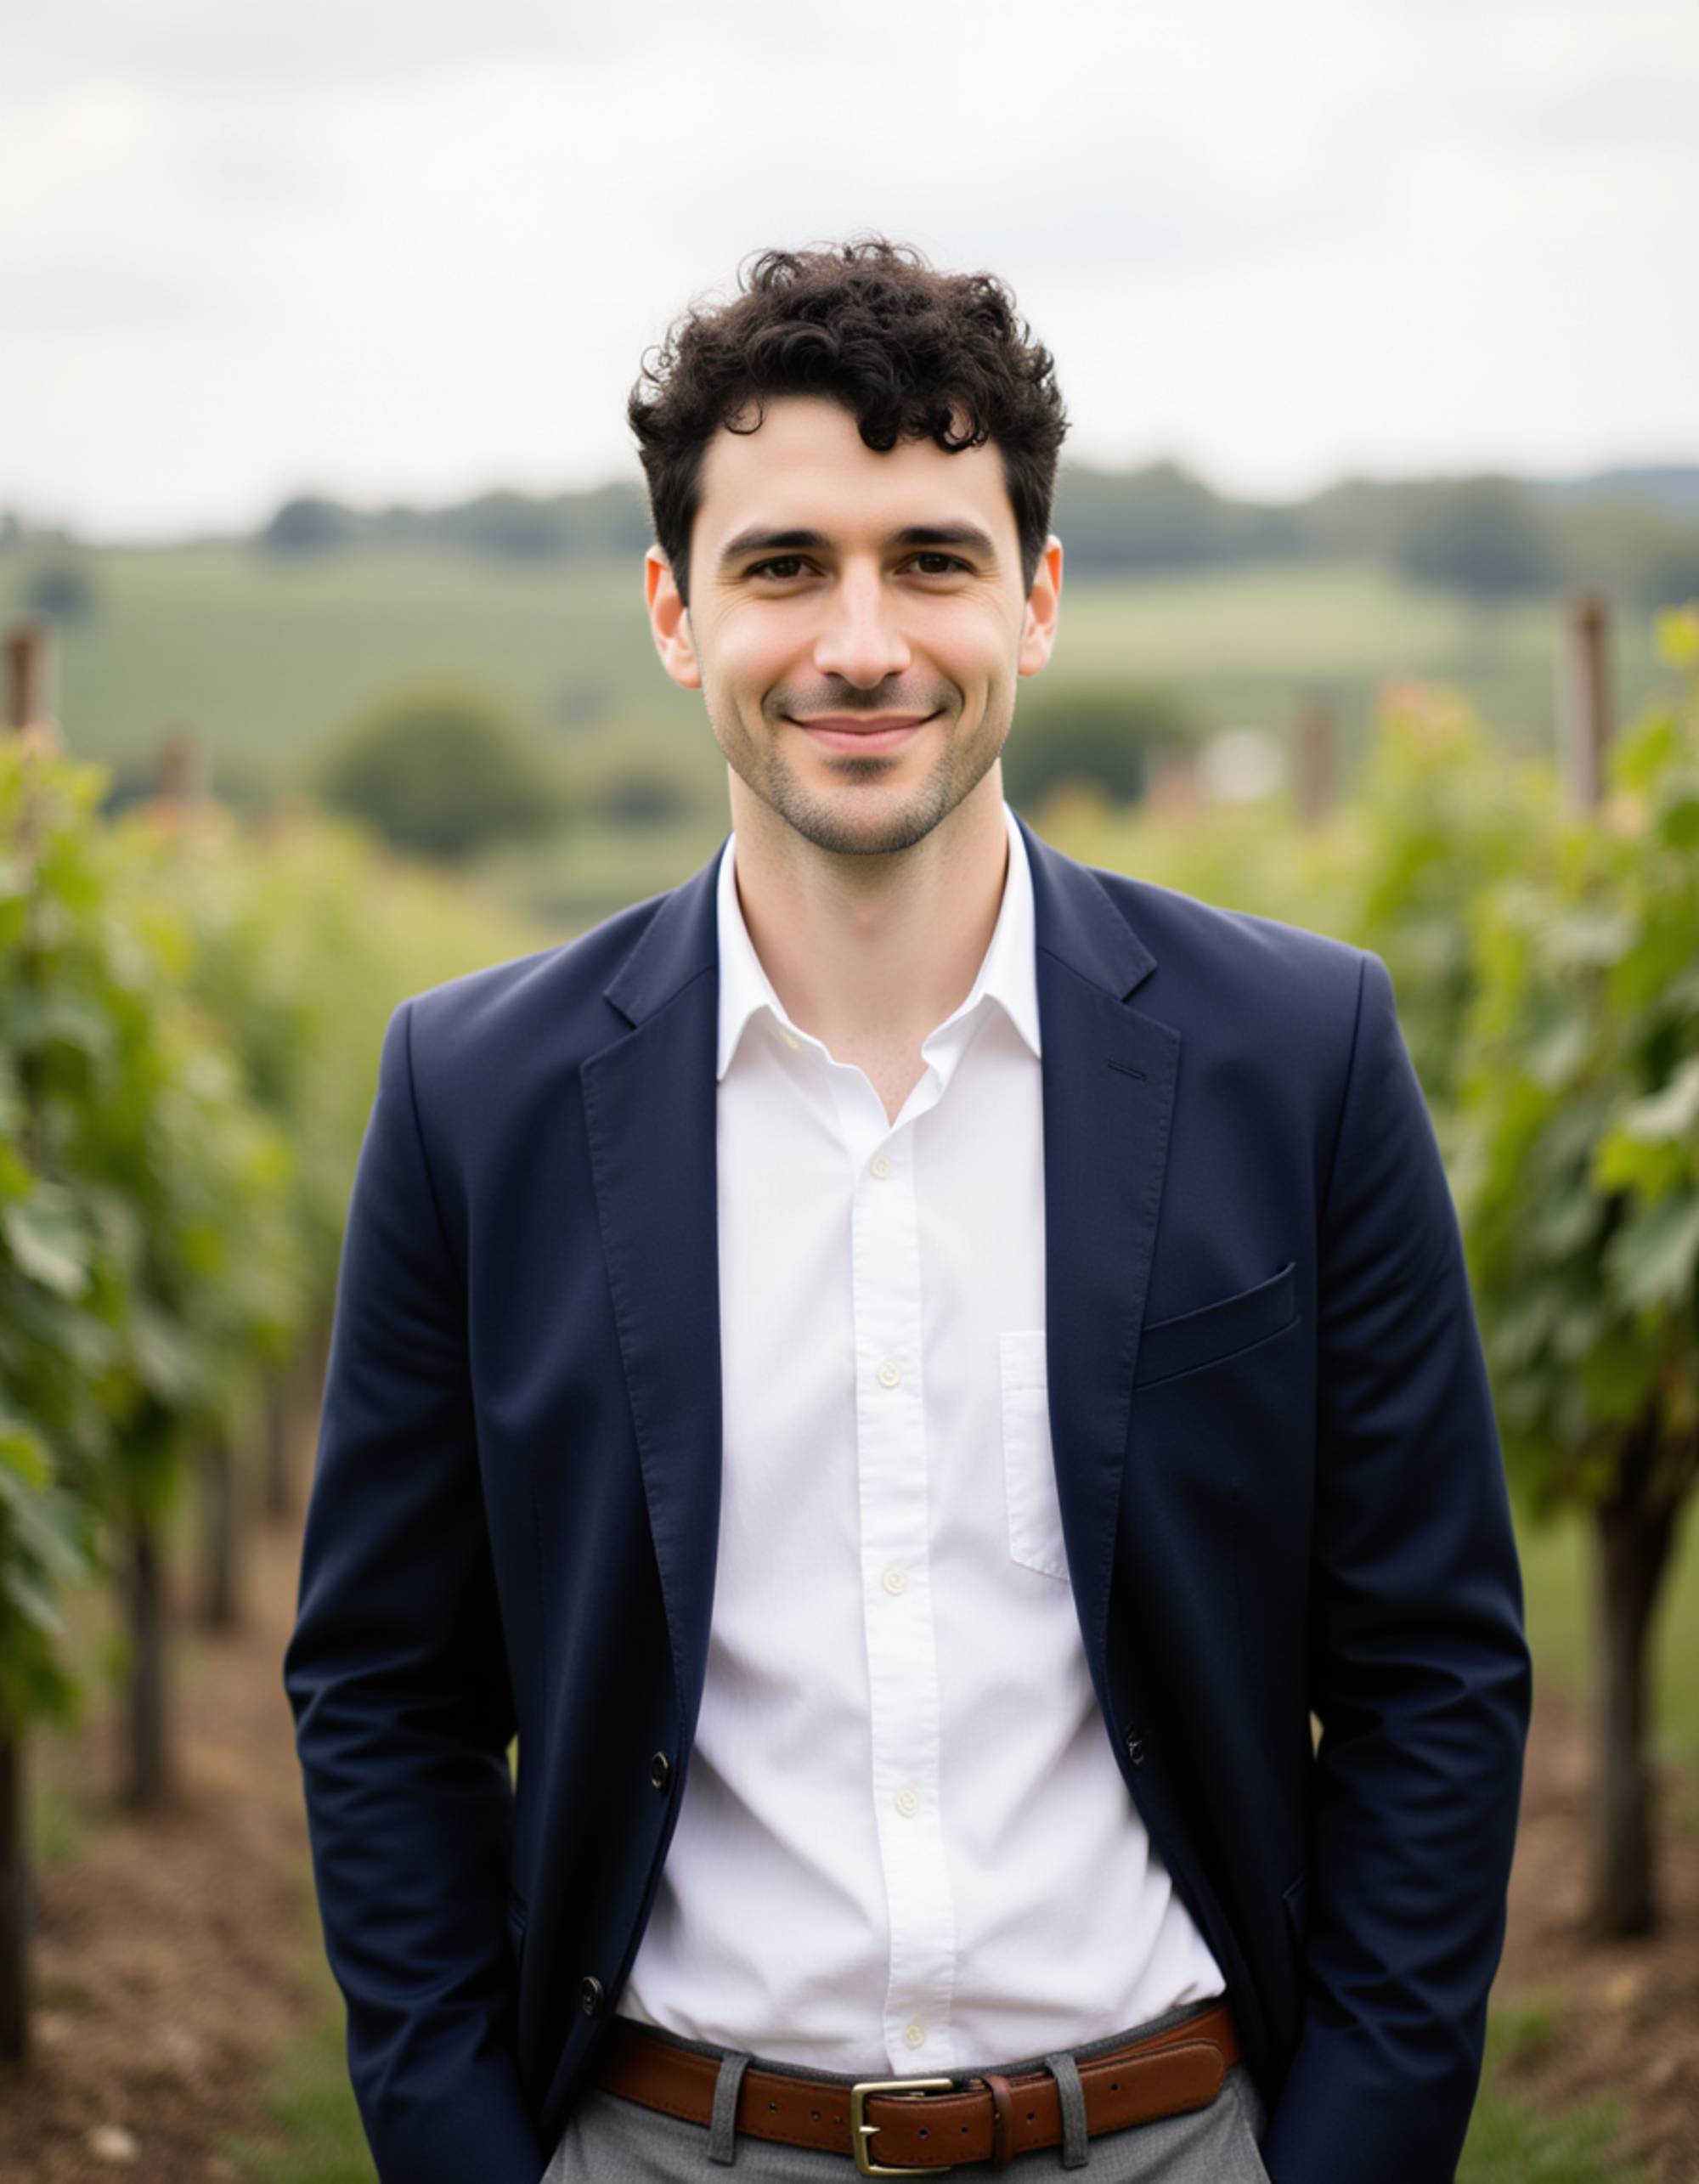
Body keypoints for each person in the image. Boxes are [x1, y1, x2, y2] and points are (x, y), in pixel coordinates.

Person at [283, 237, 1532, 2184]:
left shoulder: (1301, 1053)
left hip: (1169, 2136)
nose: (859, 638)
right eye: (784, 564)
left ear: (1032, 599)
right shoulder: (473, 1096)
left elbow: (1430, 1667)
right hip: (660, 2142)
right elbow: (383, 1691)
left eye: (929, 558)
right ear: (673, 613)